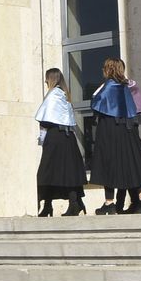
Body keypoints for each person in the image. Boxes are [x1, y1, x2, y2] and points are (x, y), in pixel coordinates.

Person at [89, 58, 141, 215]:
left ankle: (109, 202)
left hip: (109, 129)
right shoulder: (125, 87)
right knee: (127, 163)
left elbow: (96, 103)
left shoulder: (108, 86)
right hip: (127, 129)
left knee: (108, 163)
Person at [35, 68, 87, 216]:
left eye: (46, 78)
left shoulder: (53, 95)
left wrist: (42, 140)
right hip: (68, 137)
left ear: (50, 79)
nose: (45, 81)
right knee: (67, 172)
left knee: (47, 172)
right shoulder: (65, 96)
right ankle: (67, 204)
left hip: (55, 137)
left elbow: (44, 121)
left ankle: (50, 205)